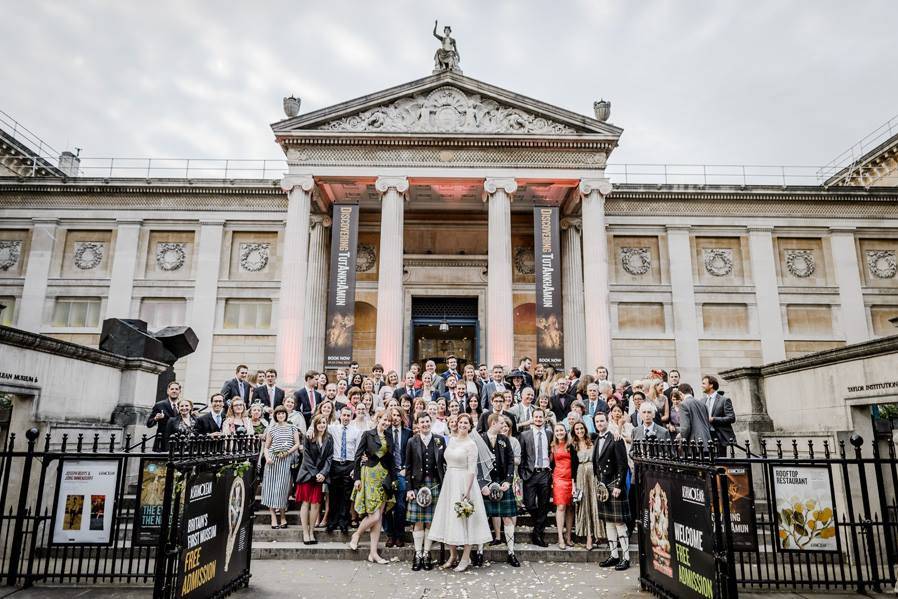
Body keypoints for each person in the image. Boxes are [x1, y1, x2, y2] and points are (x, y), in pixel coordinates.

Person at [426, 413, 492, 572]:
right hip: (450, 482)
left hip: (465, 483)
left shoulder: (471, 445)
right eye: (460, 422)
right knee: (450, 519)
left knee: (466, 521)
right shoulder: (452, 440)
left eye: (466, 423)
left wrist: (467, 491)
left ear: (470, 426)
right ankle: (453, 555)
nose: (462, 425)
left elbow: (472, 470)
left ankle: (465, 558)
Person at [349, 411, 398, 564]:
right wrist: (357, 478)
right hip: (369, 475)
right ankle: (357, 534)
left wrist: (393, 479)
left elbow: (391, 461)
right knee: (374, 515)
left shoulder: (390, 437)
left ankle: (373, 553)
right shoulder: (367, 434)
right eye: (385, 419)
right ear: (378, 419)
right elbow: (358, 456)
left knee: (379, 518)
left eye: (389, 421)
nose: (387, 422)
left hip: (384, 477)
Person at [404, 412, 447, 571]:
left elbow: (444, 464)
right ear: (417, 424)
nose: (425, 424)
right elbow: (407, 467)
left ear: (431, 422)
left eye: (427, 421)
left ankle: (427, 554)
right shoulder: (411, 441)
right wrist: (409, 489)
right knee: (418, 522)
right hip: (417, 486)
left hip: (435, 484)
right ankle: (418, 554)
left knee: (430, 521)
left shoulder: (440, 439)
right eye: (422, 422)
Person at [476, 413, 519, 567]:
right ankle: (480, 552)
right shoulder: (479, 438)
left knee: (507, 517)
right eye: (501, 423)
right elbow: (476, 463)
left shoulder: (504, 439)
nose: (504, 425)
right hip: (486, 484)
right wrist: (482, 485)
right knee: (482, 518)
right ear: (493, 423)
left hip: (502, 483)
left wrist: (508, 481)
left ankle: (511, 552)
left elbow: (510, 462)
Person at [593, 411, 631, 571]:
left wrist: (619, 486)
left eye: (602, 421)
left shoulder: (615, 439)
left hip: (614, 485)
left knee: (619, 522)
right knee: (608, 522)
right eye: (597, 421)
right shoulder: (596, 439)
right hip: (603, 486)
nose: (600, 424)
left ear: (607, 421)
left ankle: (626, 558)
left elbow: (623, 465)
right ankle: (614, 555)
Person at [295, 414, 333, 544]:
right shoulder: (309, 437)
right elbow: (306, 457)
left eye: (324, 422)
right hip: (307, 474)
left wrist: (323, 473)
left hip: (320, 477)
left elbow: (329, 457)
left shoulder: (329, 438)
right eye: (319, 423)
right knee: (306, 503)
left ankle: (312, 531)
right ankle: (305, 532)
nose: (322, 425)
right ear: (315, 425)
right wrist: (315, 473)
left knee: (316, 504)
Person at [262, 406, 301, 529]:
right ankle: (273, 517)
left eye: (282, 413)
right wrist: (267, 458)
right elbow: (267, 447)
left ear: (285, 415)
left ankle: (283, 516)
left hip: (285, 461)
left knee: (282, 490)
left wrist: (288, 452)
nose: (280, 416)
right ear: (275, 416)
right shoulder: (272, 429)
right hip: (272, 461)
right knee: (271, 489)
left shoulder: (292, 427)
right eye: (278, 414)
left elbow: (297, 444)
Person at [518, 408, 552, 547]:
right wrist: (523, 474)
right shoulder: (525, 435)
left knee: (544, 504)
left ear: (544, 419)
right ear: (532, 418)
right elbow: (521, 456)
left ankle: (537, 533)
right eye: (536, 417)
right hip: (530, 474)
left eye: (540, 417)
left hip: (545, 473)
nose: (538, 419)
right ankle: (540, 521)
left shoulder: (549, 434)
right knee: (530, 503)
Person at [327, 407, 361, 534]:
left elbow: (358, 452)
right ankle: (332, 521)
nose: (346, 417)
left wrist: (355, 468)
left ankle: (343, 522)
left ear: (351, 417)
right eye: (344, 415)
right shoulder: (333, 428)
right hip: (335, 464)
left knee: (346, 496)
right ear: (340, 416)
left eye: (348, 415)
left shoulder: (356, 432)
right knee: (334, 494)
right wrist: (309, 431)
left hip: (349, 464)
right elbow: (317, 425)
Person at [384, 407, 412, 548]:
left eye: (397, 415)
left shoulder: (408, 433)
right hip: (388, 473)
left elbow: (411, 453)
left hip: (402, 472)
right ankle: (390, 535)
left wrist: (405, 468)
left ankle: (399, 535)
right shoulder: (385, 432)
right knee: (388, 505)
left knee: (400, 506)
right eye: (393, 415)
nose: (395, 418)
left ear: (402, 417)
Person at [571, 421, 600, 551]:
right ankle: (589, 536)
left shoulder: (593, 439)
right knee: (585, 505)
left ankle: (599, 533)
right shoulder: (573, 445)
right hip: (581, 475)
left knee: (596, 502)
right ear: (574, 431)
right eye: (577, 429)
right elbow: (573, 466)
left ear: (585, 428)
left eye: (581, 428)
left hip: (594, 474)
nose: (580, 431)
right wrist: (573, 485)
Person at [550, 423, 577, 549]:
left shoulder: (571, 445)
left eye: (561, 430)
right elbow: (550, 462)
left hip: (570, 478)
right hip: (559, 478)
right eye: (557, 431)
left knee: (570, 507)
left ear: (565, 431)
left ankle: (568, 536)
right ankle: (560, 537)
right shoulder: (553, 445)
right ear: (554, 433)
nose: (559, 432)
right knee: (561, 506)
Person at [702, 374, 736, 454]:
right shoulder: (702, 400)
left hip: (720, 436)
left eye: (704, 383)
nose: (702, 385)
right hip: (706, 435)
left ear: (711, 385)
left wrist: (714, 419)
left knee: (721, 461)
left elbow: (731, 418)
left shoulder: (724, 400)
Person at [147, 381, 182, 451]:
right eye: (172, 389)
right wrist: (156, 418)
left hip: (179, 443)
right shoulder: (159, 405)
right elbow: (149, 424)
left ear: (180, 391)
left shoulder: (184, 406)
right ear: (168, 391)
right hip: (163, 442)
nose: (174, 391)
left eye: (176, 389)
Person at [677, 383, 712, 447]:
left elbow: (685, 427)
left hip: (694, 443)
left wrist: (681, 438)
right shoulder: (702, 404)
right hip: (707, 440)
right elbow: (708, 424)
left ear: (680, 393)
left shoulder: (683, 404)